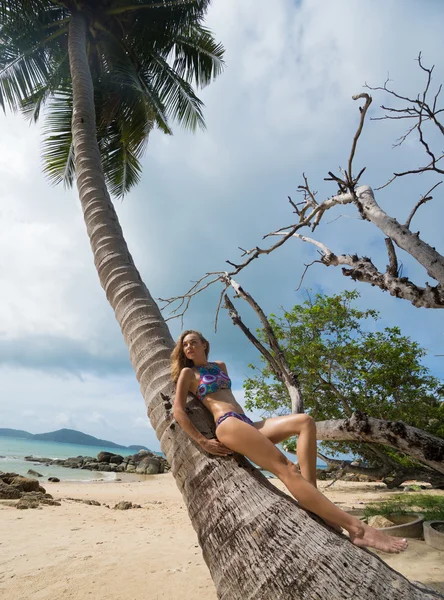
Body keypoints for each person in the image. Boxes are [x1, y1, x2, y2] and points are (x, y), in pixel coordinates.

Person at [171, 329, 408, 554]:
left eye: (193, 342)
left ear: (204, 345)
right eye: (185, 345)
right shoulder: (188, 374)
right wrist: (203, 442)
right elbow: (178, 411)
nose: (189, 347)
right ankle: (359, 529)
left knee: (305, 421)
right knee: (287, 468)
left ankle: (312, 495)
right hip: (228, 424)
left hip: (247, 422)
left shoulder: (220, 366)